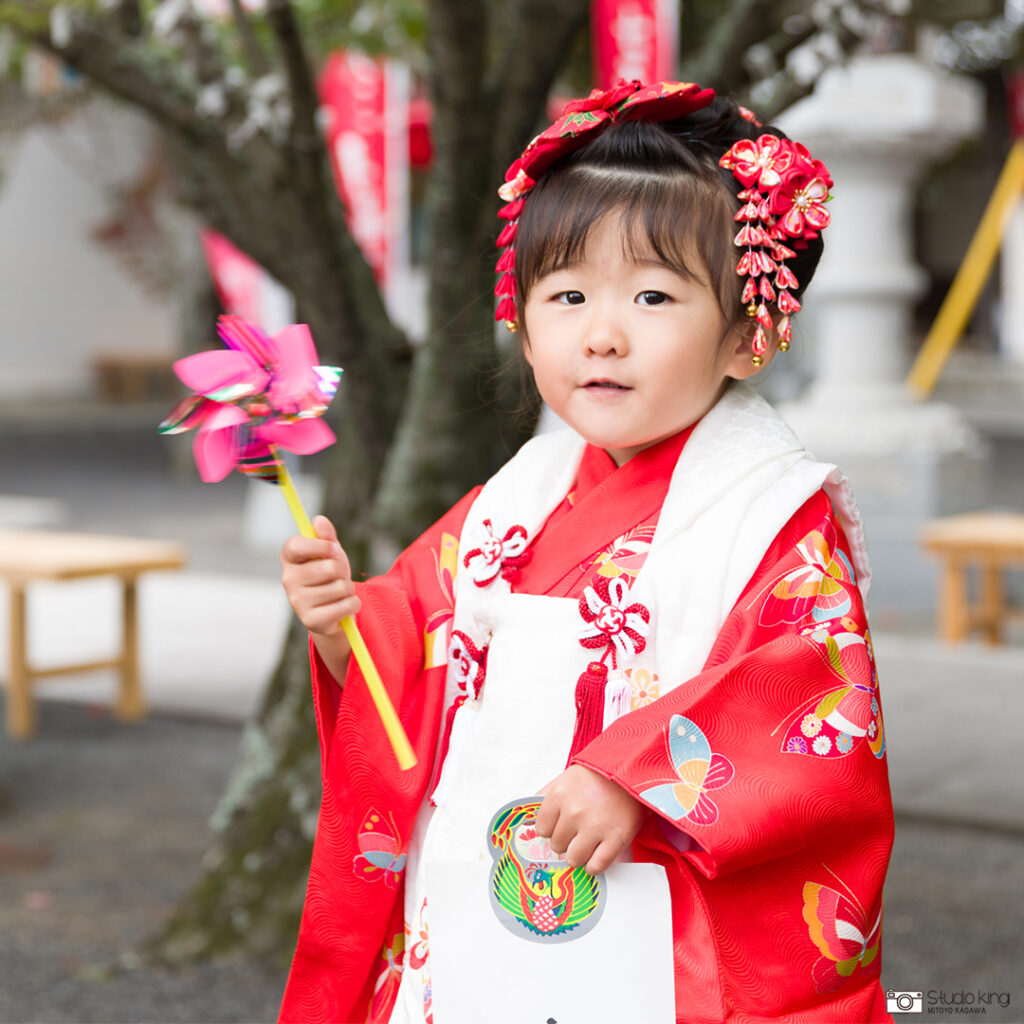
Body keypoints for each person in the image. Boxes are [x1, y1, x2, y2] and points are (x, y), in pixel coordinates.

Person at [277, 80, 894, 1024]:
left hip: (660, 929)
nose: (602, 333)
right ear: (523, 326)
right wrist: (347, 624)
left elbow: (810, 706)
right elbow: (414, 649)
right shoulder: (510, 503)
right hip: (487, 902)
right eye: (566, 294)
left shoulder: (772, 514)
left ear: (745, 333)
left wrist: (636, 781)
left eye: (653, 294)